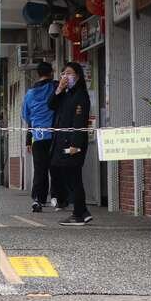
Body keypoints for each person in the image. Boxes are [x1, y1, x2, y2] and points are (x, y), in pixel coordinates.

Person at [50, 62, 94, 227]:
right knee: (68, 176)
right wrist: (59, 90)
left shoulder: (80, 95)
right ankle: (83, 211)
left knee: (73, 178)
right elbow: (51, 105)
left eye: (69, 73)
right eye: (63, 73)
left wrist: (75, 144)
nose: (65, 76)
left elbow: (79, 121)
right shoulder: (65, 94)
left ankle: (78, 214)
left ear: (77, 75)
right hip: (61, 141)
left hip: (72, 143)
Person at [21, 61, 58, 213]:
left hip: (38, 136)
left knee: (40, 169)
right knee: (56, 167)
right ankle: (57, 198)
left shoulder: (30, 94)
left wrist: (28, 139)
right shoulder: (54, 87)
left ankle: (38, 199)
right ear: (52, 72)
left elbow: (26, 116)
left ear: (38, 74)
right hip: (55, 135)